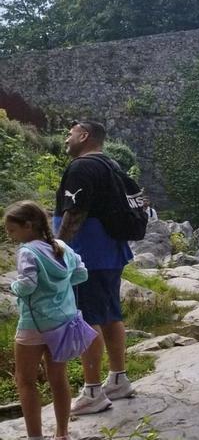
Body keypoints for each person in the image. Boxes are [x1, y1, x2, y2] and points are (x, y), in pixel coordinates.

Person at [53, 120, 134, 415]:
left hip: (87, 255)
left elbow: (74, 212)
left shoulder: (82, 167)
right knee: (110, 314)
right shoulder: (111, 165)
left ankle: (93, 391)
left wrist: (57, 249)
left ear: (84, 136)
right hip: (110, 250)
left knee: (87, 319)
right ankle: (119, 379)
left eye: (70, 133)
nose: (66, 138)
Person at [6, 201, 88, 440]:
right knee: (59, 379)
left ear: (28, 226)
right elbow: (81, 273)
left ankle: (35, 437)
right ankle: (62, 434)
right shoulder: (61, 246)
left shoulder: (27, 251)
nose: (10, 236)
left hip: (34, 326)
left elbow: (28, 285)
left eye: (12, 230)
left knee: (26, 381)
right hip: (63, 323)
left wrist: (14, 286)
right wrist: (58, 289)